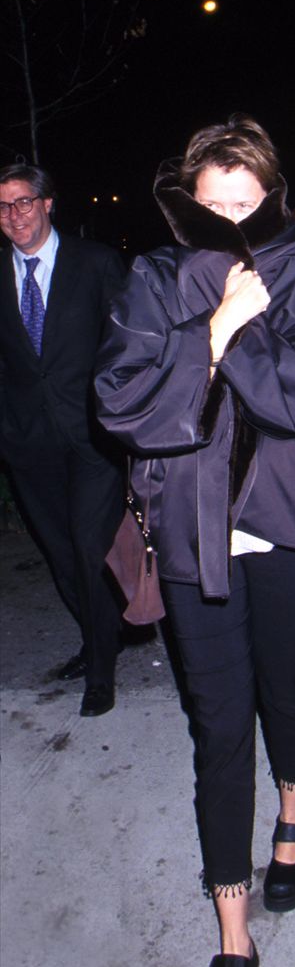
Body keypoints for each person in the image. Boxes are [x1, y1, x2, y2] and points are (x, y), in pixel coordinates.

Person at [95, 116, 295, 967]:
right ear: (188, 205)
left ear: (274, 199)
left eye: (247, 205)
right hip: (192, 535)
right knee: (217, 725)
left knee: (284, 679)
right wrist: (208, 328)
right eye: (214, 208)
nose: (232, 225)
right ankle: (233, 945)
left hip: (282, 529)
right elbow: (119, 402)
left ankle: (294, 809)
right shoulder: (155, 280)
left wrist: (238, 328)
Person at [0, 163, 126, 716]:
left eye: (24, 202)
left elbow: (127, 341)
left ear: (48, 203)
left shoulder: (95, 263)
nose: (14, 215)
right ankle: (100, 636)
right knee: (60, 553)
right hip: (27, 441)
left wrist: (117, 412)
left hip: (93, 437)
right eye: (3, 206)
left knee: (88, 546)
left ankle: (101, 670)